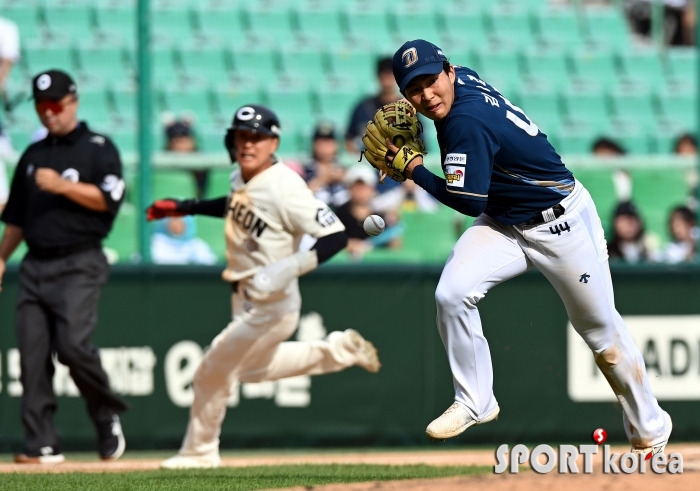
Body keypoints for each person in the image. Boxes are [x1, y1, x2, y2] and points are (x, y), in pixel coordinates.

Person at [374, 39, 671, 458]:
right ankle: (475, 400)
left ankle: (651, 431)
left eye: (431, 80)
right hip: (506, 219)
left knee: (601, 334)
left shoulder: (465, 120)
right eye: (414, 89)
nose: (426, 95)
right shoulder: (467, 82)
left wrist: (415, 170)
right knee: (452, 293)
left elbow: (467, 201)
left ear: (450, 71)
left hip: (561, 222)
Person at [146, 104, 381, 469]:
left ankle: (200, 452)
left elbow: (334, 235)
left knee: (211, 369)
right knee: (250, 371)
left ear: (273, 143)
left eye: (256, 137)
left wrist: (289, 267)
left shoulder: (285, 185)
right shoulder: (242, 176)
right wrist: (186, 206)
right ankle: (340, 351)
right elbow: (236, 205)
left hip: (273, 303)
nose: (248, 144)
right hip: (246, 297)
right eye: (242, 136)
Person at [0, 70, 128, 463]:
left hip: (80, 261)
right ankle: (42, 442)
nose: (48, 113)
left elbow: (110, 200)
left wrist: (64, 186)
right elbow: (18, 218)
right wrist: (2, 257)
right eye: (41, 106)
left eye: (55, 104)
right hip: (36, 264)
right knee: (32, 354)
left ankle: (105, 414)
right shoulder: (33, 155)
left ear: (73, 102)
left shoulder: (98, 147)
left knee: (73, 345)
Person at [335, 165, 402, 259]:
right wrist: (349, 244)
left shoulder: (380, 218)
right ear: (349, 188)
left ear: (372, 189)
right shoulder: (339, 214)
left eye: (364, 186)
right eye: (356, 186)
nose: (360, 191)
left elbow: (394, 247)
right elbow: (331, 240)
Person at [345, 57, 400, 155]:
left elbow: (420, 143)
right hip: (367, 163)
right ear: (378, 76)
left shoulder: (408, 108)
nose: (387, 79)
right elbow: (349, 140)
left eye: (391, 75)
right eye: (384, 74)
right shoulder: (362, 107)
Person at [304, 122, 348, 208]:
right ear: (314, 144)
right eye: (321, 142)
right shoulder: (305, 170)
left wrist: (345, 179)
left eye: (328, 141)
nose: (325, 146)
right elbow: (300, 196)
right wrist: (323, 179)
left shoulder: (344, 169)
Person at [164, 119, 209, 199]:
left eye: (184, 137)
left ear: (192, 141)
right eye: (175, 139)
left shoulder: (204, 167)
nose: (180, 144)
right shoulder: (158, 168)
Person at [151, 215, 217, 265]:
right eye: (174, 219)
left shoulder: (196, 246)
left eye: (181, 219)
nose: (177, 223)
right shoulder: (155, 243)